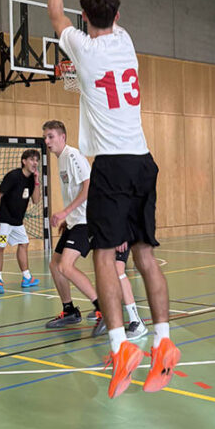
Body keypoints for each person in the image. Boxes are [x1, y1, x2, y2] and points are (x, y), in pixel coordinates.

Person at [46, 0, 179, 398]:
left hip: (113, 166)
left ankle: (121, 346)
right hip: (144, 162)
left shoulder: (84, 49)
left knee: (104, 255)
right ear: (117, 17)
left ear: (85, 19)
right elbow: (93, 13)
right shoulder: (126, 42)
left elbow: (56, 15)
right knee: (144, 256)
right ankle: (163, 343)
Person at [42, 119, 147, 339]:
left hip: (88, 222)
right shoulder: (64, 160)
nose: (47, 141)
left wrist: (66, 211)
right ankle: (70, 310)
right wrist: (68, 217)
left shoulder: (73, 156)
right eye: (45, 137)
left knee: (69, 266)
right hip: (79, 221)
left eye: (51, 136)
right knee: (55, 264)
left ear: (63, 137)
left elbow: (89, 187)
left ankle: (105, 309)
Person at [0, 148, 41, 293]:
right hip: (4, 221)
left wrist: (36, 181)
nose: (35, 163)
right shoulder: (13, 176)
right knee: (0, 246)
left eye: (37, 160)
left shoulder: (31, 180)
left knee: (24, 243)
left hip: (17, 222)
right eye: (32, 159)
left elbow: (36, 200)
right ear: (24, 161)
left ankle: (27, 277)